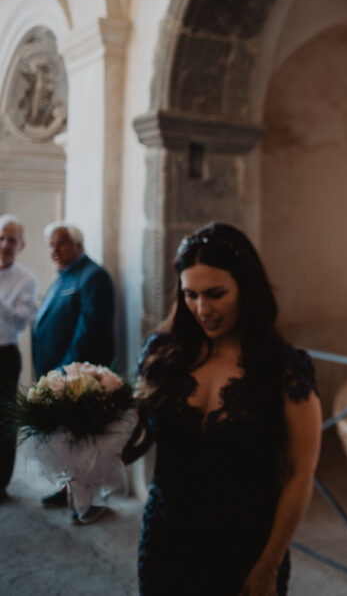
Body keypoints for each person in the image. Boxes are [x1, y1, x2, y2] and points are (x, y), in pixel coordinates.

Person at [122, 223, 321, 596]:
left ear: (247, 289)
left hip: (248, 546)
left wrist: (269, 565)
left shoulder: (284, 367)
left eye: (215, 294)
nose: (202, 309)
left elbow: (300, 472)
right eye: (190, 295)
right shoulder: (161, 354)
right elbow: (133, 439)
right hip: (166, 540)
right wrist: (81, 447)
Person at [31, 221, 115, 522]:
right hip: (58, 377)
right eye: (51, 245)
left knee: (85, 443)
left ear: (78, 245)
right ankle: (68, 490)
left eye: (61, 243)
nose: (54, 250)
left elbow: (88, 331)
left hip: (78, 379)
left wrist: (65, 373)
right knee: (66, 442)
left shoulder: (93, 277)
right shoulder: (64, 275)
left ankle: (89, 504)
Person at [0, 215, 38, 501]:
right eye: (1, 238)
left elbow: (20, 322)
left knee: (4, 421)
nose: (4, 245)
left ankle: (1, 483)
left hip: (5, 355)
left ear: (21, 245)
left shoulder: (26, 279)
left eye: (11, 240)